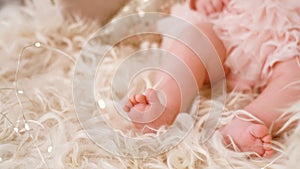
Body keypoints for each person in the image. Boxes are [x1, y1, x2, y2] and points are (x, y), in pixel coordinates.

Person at [124, 0, 300, 157]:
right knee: (194, 38)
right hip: (226, 26)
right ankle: (166, 101)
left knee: (294, 76)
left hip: (287, 43)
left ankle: (250, 120)